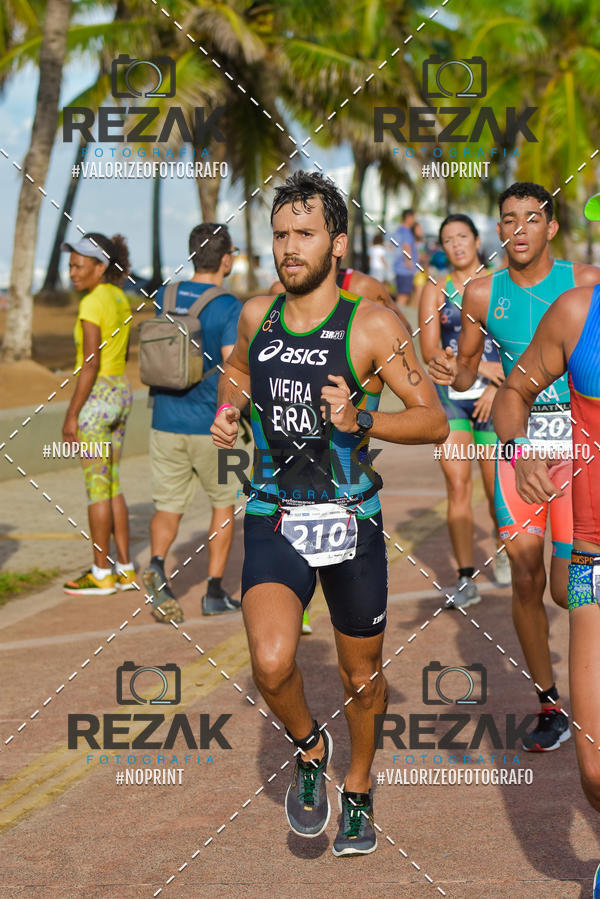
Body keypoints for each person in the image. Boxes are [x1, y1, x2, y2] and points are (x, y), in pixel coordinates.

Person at [211, 170, 448, 856]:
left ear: (336, 244)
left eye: (304, 234)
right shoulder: (258, 314)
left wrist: (360, 414)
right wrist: (230, 412)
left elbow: (433, 420)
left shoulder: (372, 324)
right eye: (281, 234)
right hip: (275, 510)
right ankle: (311, 746)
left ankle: (361, 784)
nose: (289, 247)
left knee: (361, 679)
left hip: (350, 519)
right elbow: (237, 368)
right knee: (272, 661)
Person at [429, 182, 600, 751]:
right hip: (517, 442)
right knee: (524, 576)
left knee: (564, 587)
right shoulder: (480, 293)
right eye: (508, 219)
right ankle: (550, 702)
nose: (519, 228)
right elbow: (466, 372)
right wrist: (451, 371)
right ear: (498, 231)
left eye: (532, 218)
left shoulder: (582, 283)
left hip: (576, 445)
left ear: (551, 228)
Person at [492, 190, 600, 894]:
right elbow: (511, 393)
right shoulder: (578, 313)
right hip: (596, 556)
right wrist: (520, 441)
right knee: (593, 766)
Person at [142, 223, 243, 624]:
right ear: (225, 258)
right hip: (211, 427)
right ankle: (214, 593)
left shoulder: (164, 296)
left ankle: (156, 564)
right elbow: (233, 368)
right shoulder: (227, 304)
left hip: (164, 421)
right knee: (223, 506)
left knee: (168, 506)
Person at [419, 214, 509, 609]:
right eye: (448, 240)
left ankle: (503, 548)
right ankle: (464, 578)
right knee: (458, 486)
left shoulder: (501, 282)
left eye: (462, 236)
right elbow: (429, 351)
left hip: (496, 397)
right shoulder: (436, 289)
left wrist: (493, 382)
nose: (456, 244)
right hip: (452, 398)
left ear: (476, 240)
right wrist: (466, 373)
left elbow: (515, 346)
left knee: (496, 491)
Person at [61, 233, 135, 595]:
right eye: (70, 265)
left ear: (100, 267)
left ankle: (100, 572)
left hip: (96, 400)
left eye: (79, 265)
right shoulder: (120, 297)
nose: (72, 272)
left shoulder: (92, 303)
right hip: (121, 392)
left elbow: (89, 363)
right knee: (114, 483)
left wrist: (72, 414)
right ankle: (125, 568)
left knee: (97, 489)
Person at [391, 208, 417, 306]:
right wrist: (409, 263)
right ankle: (398, 318)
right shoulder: (406, 231)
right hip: (405, 269)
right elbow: (406, 246)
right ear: (408, 218)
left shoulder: (398, 230)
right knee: (404, 296)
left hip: (398, 267)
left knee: (401, 295)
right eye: (413, 217)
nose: (414, 220)